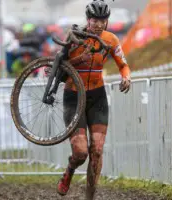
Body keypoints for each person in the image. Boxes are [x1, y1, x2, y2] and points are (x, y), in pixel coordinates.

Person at [57, 0, 131, 199]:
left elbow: (123, 65)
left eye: (102, 21)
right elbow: (59, 67)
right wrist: (79, 60)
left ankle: (90, 196)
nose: (98, 25)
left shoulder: (111, 39)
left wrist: (126, 77)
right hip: (74, 97)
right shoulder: (75, 38)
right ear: (87, 20)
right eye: (94, 20)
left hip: (97, 97)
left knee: (97, 150)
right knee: (81, 152)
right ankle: (69, 171)